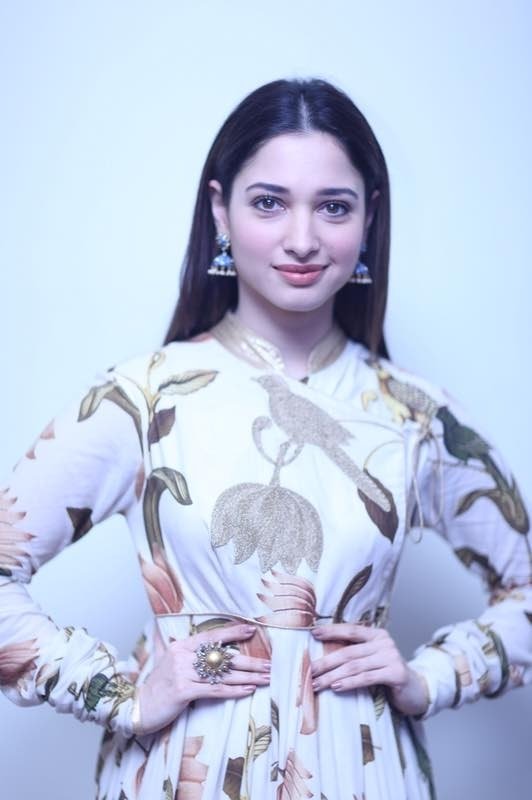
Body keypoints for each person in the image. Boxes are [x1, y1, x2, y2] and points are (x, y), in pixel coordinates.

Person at [0, 77, 530, 800]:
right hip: (183, 774)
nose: (302, 238)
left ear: (370, 217)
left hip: (368, 774)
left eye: (333, 206)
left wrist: (430, 678)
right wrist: (119, 692)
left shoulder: (411, 415)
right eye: (269, 202)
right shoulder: (144, 399)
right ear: (220, 210)